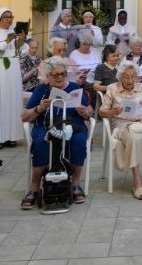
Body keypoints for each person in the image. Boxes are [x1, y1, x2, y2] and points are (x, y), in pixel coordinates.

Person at [21, 57, 94, 208]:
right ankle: (34, 187)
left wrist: (84, 112)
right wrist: (39, 108)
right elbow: (25, 116)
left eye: (63, 73)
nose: (60, 77)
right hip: (46, 125)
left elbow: (90, 112)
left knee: (79, 141)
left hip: (71, 125)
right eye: (55, 75)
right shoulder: (41, 90)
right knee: (42, 141)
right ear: (48, 76)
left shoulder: (74, 88)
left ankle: (75, 184)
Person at [98, 60, 142, 200]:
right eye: (126, 77)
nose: (130, 80)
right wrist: (113, 112)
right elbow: (102, 112)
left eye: (133, 76)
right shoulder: (112, 88)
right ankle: (136, 181)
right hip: (123, 125)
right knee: (134, 139)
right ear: (120, 76)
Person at [0, 7, 24, 148]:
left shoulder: (14, 33)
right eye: (6, 17)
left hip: (13, 72)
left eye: (11, 17)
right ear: (0, 19)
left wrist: (21, 41)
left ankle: (11, 136)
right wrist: (6, 41)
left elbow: (22, 52)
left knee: (12, 102)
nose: (9, 19)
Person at [68, 30, 102, 103]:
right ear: (80, 43)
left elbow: (100, 68)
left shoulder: (95, 53)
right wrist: (80, 73)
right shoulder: (74, 54)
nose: (87, 47)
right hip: (80, 81)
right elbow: (70, 72)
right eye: (84, 44)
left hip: (95, 80)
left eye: (89, 45)